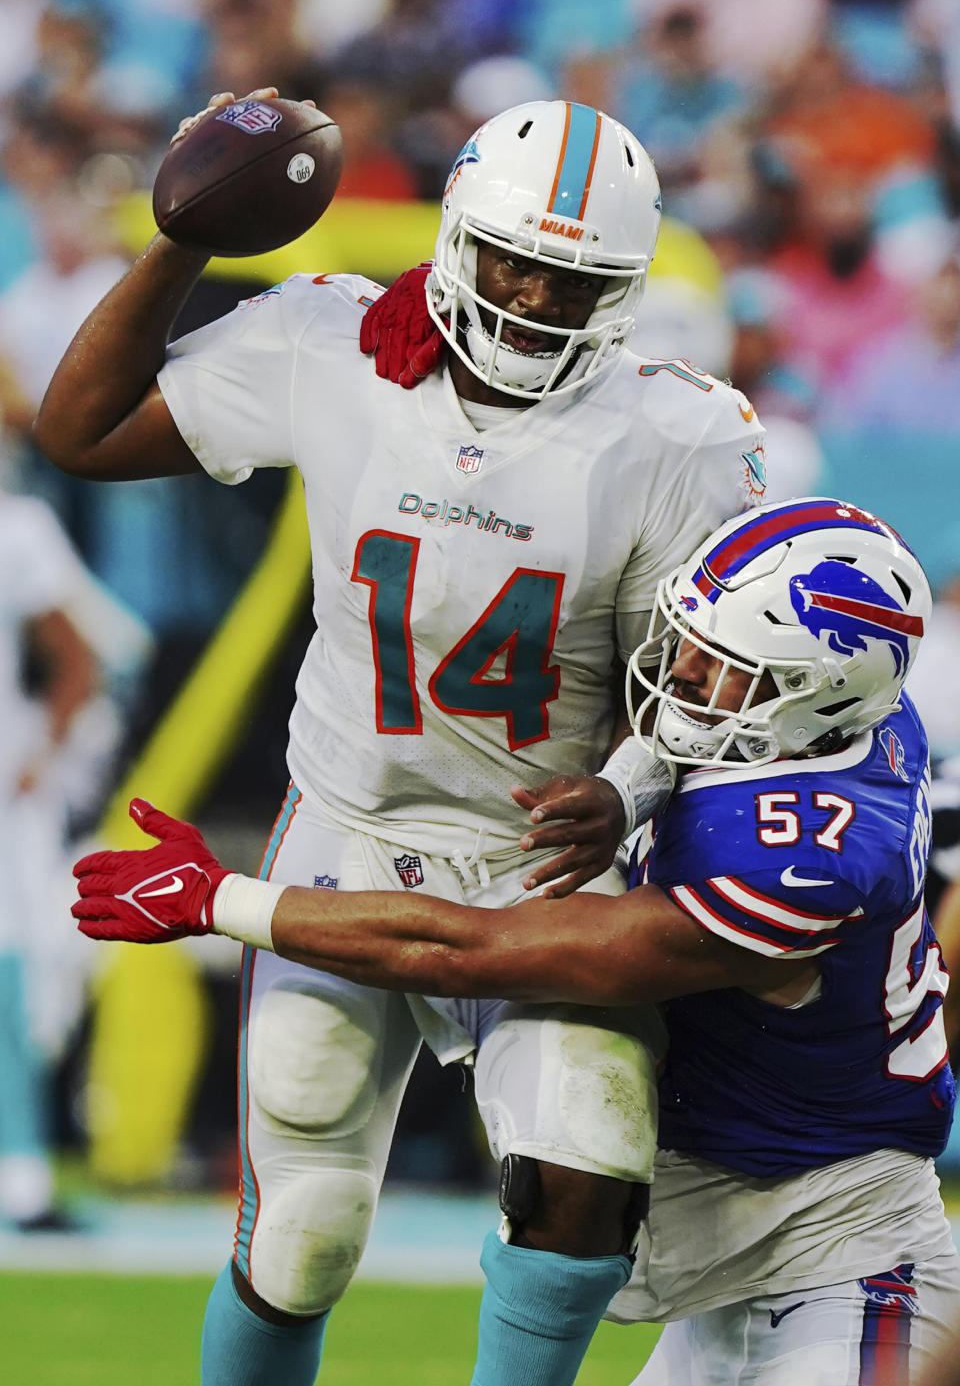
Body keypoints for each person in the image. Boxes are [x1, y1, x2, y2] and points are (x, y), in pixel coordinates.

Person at [34, 87, 765, 1386]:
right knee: (305, 1229)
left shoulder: (681, 435)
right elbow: (78, 431)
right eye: (515, 265)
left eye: (569, 279)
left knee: (585, 1185)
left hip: (542, 853)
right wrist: (186, 239)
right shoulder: (330, 340)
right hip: (354, 824)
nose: (535, 301)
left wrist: (633, 782)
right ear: (454, 240)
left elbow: (696, 685)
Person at [72, 497, 960, 1385]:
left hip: (839, 1264)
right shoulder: (841, 725)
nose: (681, 673)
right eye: (689, 639)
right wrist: (627, 788)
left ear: (821, 693)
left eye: (723, 665)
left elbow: (480, 951)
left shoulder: (802, 863)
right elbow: (682, 746)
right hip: (732, 1273)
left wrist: (223, 899)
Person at [0, 486, 98, 1229]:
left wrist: (41, 753)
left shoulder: (16, 527)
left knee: (16, 984)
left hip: (6, 800)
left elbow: (76, 657)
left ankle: (24, 1174)